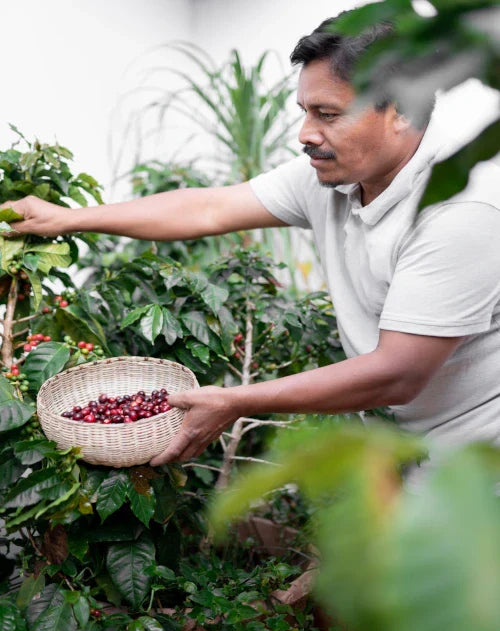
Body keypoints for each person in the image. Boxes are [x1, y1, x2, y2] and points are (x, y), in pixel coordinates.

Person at [2, 17, 499, 471]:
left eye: (328, 113)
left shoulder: (459, 213)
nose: (305, 134)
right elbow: (207, 208)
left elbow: (398, 373)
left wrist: (237, 400)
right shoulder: (335, 173)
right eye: (305, 111)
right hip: (410, 454)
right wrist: (67, 218)